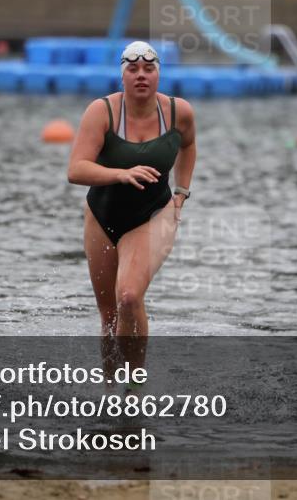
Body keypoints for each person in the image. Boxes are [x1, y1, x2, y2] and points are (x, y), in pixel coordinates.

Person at [67, 41, 196, 391]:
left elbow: (188, 146)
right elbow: (76, 170)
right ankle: (111, 391)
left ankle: (135, 388)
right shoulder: (101, 112)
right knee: (110, 316)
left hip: (152, 215)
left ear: (158, 75)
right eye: (133, 69)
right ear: (122, 76)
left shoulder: (179, 112)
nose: (141, 75)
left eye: (148, 69)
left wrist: (182, 192)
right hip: (102, 214)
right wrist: (120, 174)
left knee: (128, 296)